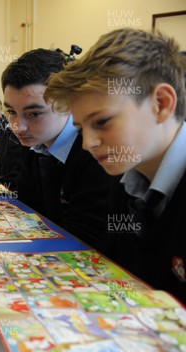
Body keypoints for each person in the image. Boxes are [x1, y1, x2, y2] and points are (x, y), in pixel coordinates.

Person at [44, 28, 186, 303]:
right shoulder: (126, 184)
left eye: (102, 122)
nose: (87, 143)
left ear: (161, 103)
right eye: (80, 128)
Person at [1, 48, 116, 248]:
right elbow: (27, 212)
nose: (18, 126)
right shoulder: (34, 145)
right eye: (11, 111)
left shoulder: (95, 153)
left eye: (34, 114)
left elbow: (80, 239)